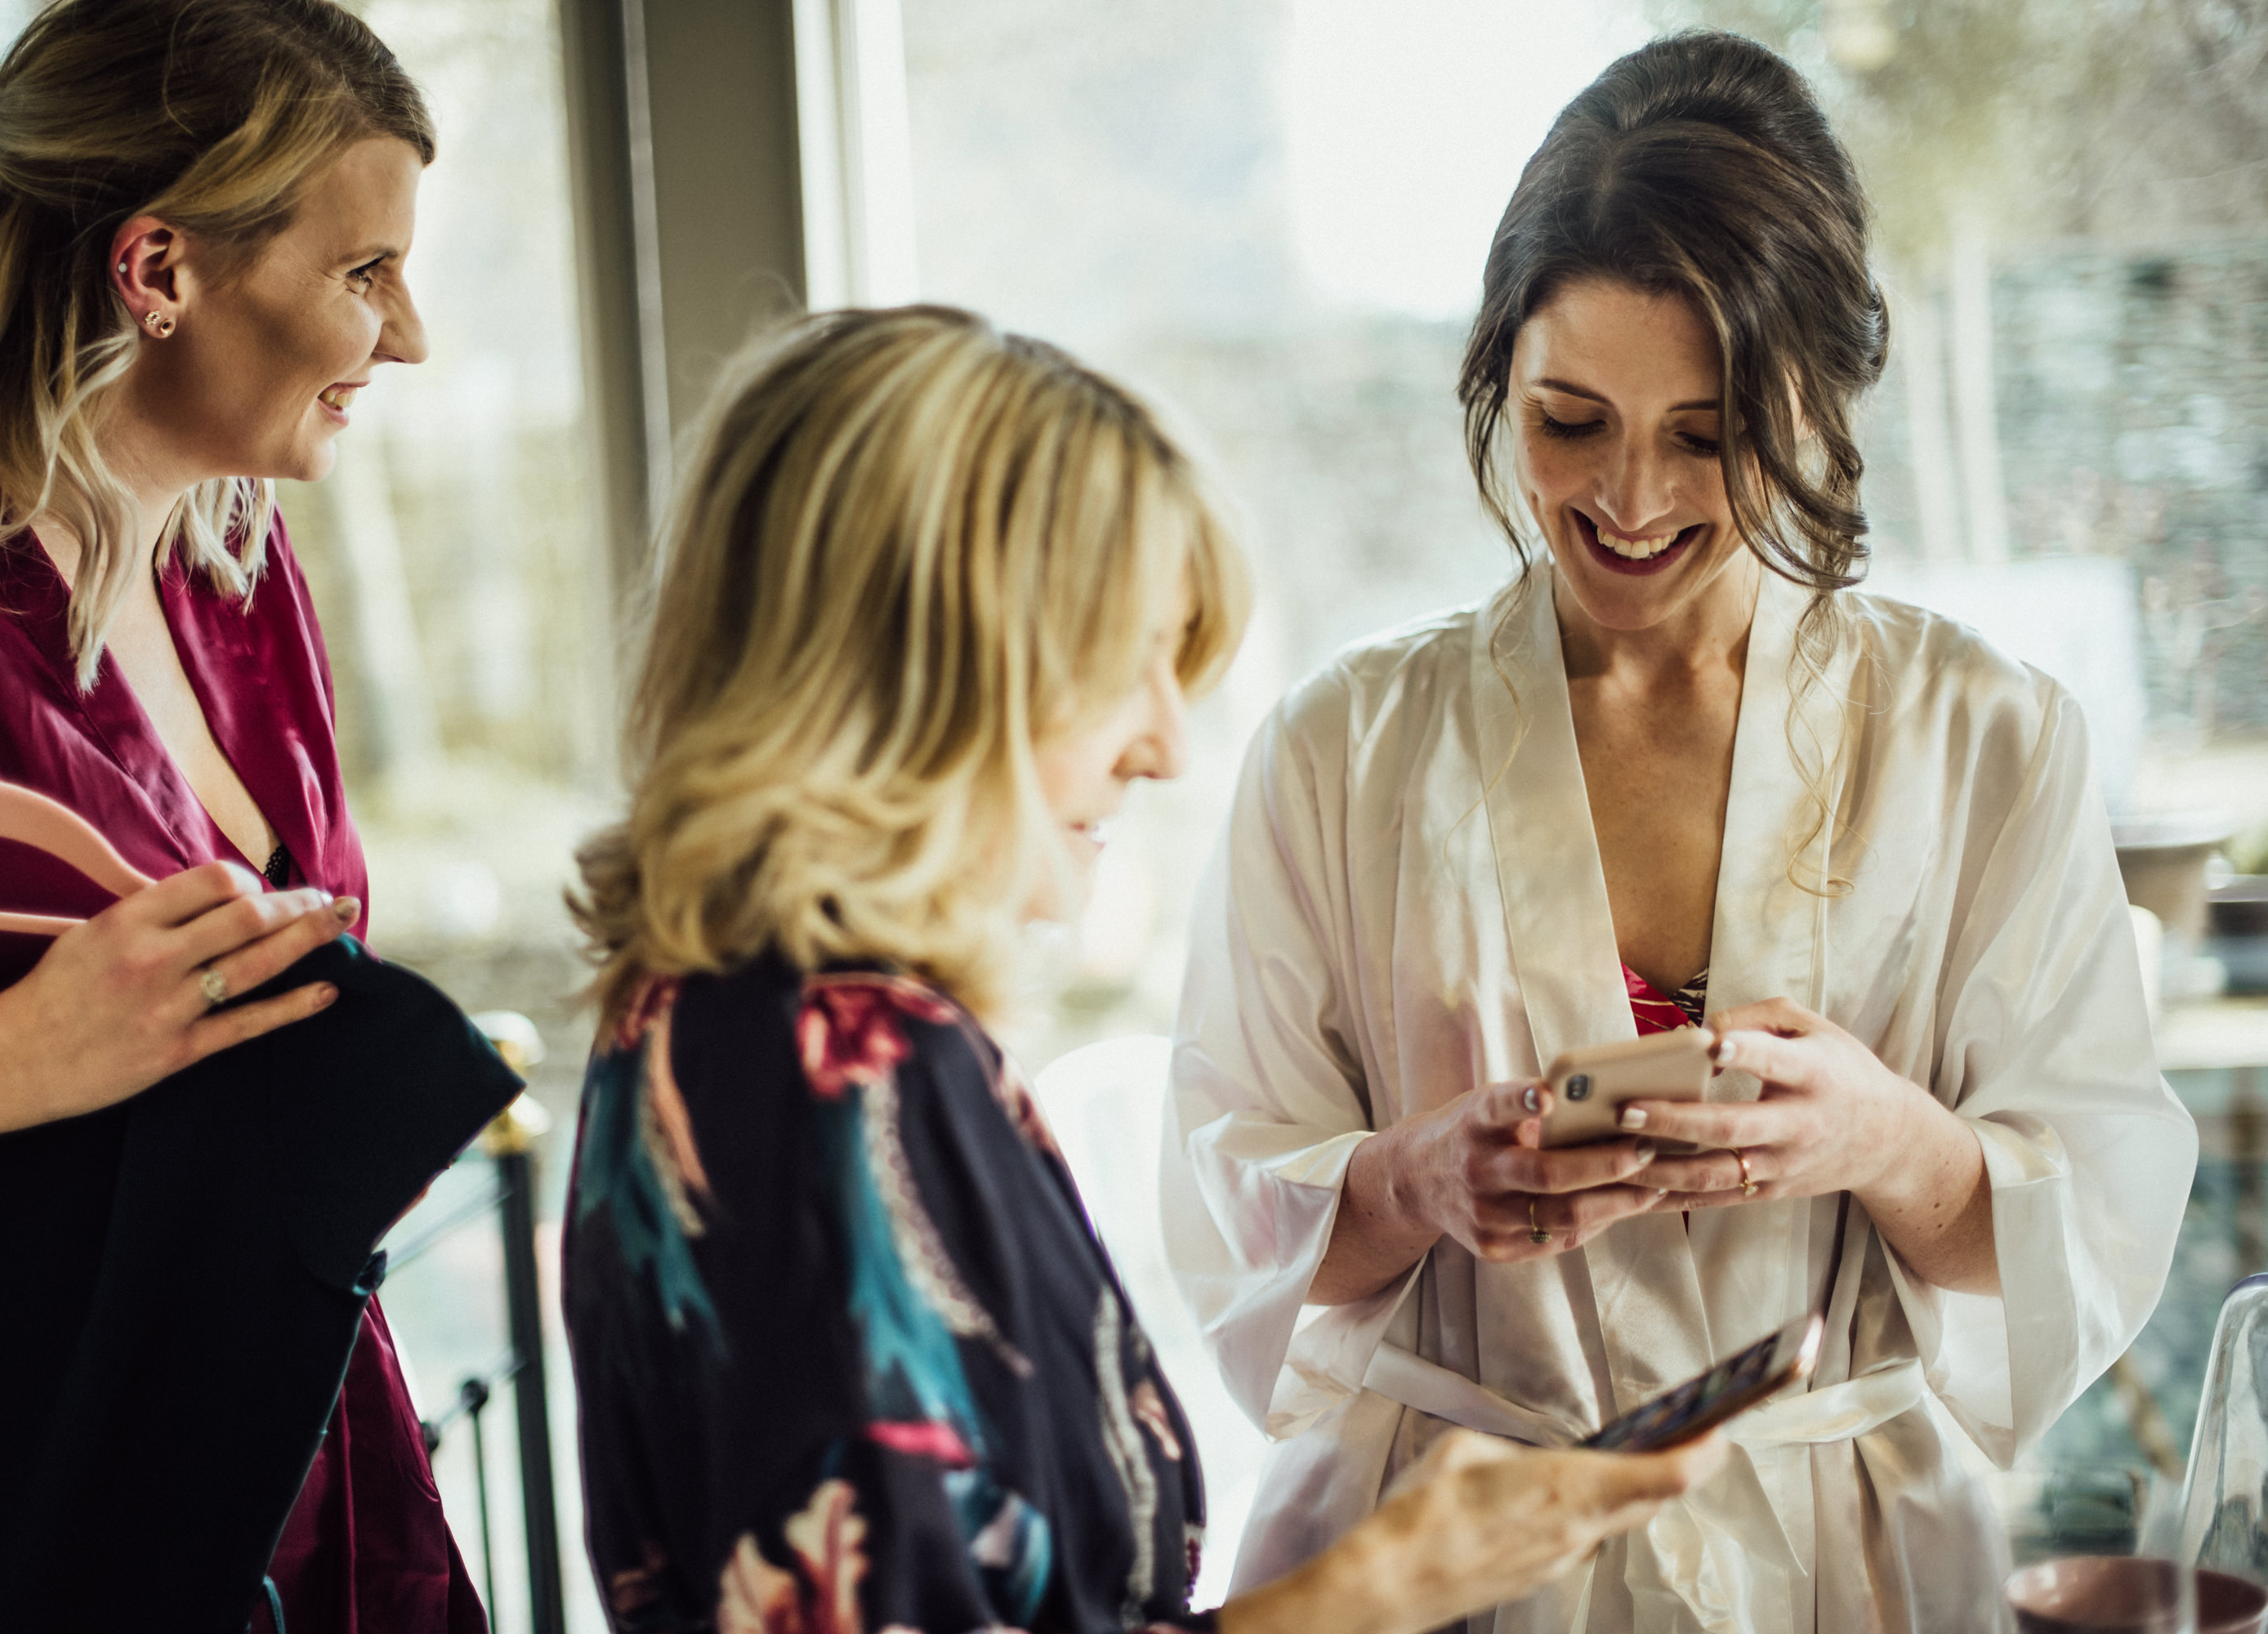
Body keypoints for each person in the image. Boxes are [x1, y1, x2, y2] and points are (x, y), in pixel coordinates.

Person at [1163, 31, 2198, 1633]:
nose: (1628, 499)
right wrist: (1413, 1178)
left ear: (1815, 403)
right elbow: (1228, 1204)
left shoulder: (1981, 738)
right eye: (1569, 419)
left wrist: (1883, 1139)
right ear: (1497, 369)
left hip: (1836, 1555)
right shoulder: (1341, 750)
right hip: (1446, 1545)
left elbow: (2097, 1209)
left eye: (1706, 435)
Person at [560, 305, 1723, 1634]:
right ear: (927, 655)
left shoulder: (690, 1023)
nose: (1165, 748)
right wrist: (1385, 1585)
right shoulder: (852, 1073)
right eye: (1126, 668)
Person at [0, 1, 495, 1627]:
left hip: (300, 1466)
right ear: (161, 272)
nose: (406, 338)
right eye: (363, 274)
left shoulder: (247, 586)